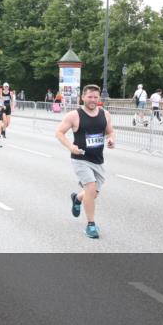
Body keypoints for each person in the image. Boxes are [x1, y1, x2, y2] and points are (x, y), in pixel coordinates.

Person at [55, 84, 116, 238]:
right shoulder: (74, 115)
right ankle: (91, 225)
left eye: (96, 97)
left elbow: (110, 132)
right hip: (80, 159)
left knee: (93, 194)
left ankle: (77, 198)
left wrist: (111, 140)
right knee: (90, 187)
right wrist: (71, 146)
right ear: (83, 97)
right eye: (90, 97)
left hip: (98, 161)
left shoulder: (105, 114)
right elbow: (59, 132)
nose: (93, 100)